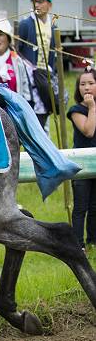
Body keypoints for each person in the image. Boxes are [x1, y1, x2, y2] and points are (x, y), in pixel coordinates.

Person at [18, 0, 57, 129]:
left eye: (41, 1)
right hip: (30, 75)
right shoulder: (26, 24)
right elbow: (19, 49)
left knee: (46, 110)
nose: (37, 5)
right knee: (32, 111)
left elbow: (53, 52)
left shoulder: (53, 26)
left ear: (49, 5)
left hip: (46, 73)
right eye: (35, 1)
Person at [68, 68, 96, 251]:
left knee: (95, 206)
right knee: (80, 207)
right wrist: (92, 108)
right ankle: (78, 245)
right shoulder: (76, 110)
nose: (86, 87)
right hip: (81, 164)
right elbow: (88, 131)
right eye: (82, 84)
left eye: (91, 83)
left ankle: (92, 241)